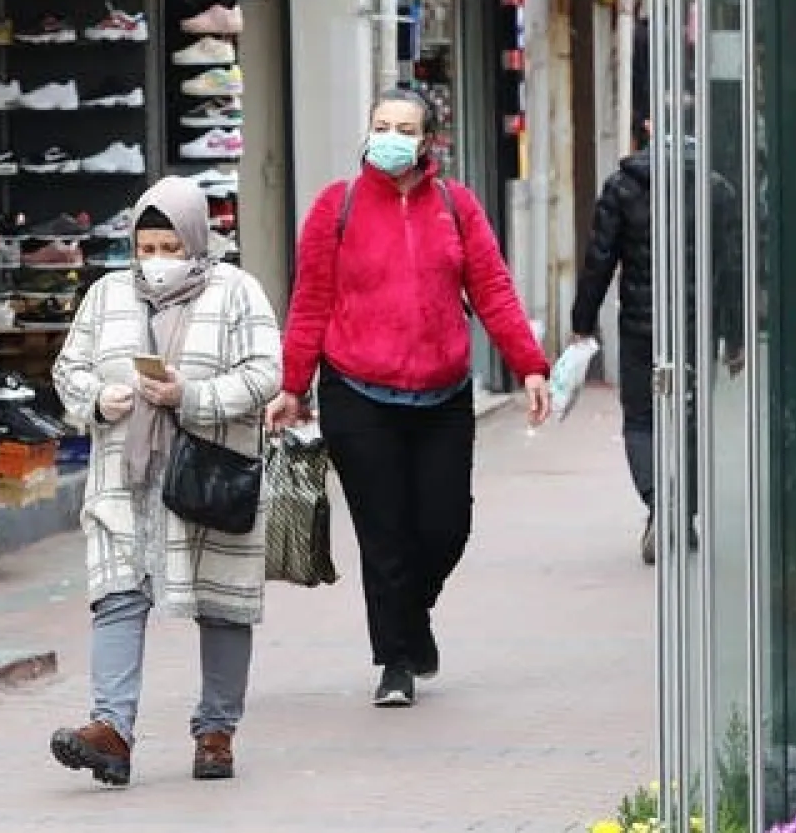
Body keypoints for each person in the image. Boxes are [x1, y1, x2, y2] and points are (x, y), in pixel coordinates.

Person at [267, 88, 551, 708]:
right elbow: (310, 300)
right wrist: (293, 384)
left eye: (404, 127)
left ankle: (410, 617)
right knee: (385, 532)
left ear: (427, 142)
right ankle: (394, 659)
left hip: (442, 394)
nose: (390, 136)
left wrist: (529, 365)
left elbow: (494, 289)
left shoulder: (457, 205)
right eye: (381, 125)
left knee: (447, 526)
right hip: (357, 393)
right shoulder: (333, 208)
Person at [49, 176, 282, 787]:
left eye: (170, 247)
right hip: (125, 477)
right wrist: (101, 398)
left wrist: (192, 396)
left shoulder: (237, 292)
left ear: (197, 240)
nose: (156, 261)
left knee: (222, 602)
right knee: (118, 594)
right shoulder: (105, 295)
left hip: (210, 473)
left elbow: (265, 373)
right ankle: (111, 733)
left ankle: (215, 733)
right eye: (146, 248)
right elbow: (68, 368)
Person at [570, 118, 743, 565]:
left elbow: (599, 260)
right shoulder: (717, 189)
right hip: (695, 328)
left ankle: (657, 503)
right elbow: (732, 268)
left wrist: (583, 322)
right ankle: (681, 513)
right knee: (692, 420)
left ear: (647, 132)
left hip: (641, 329)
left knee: (642, 419)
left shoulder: (623, 186)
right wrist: (737, 335)